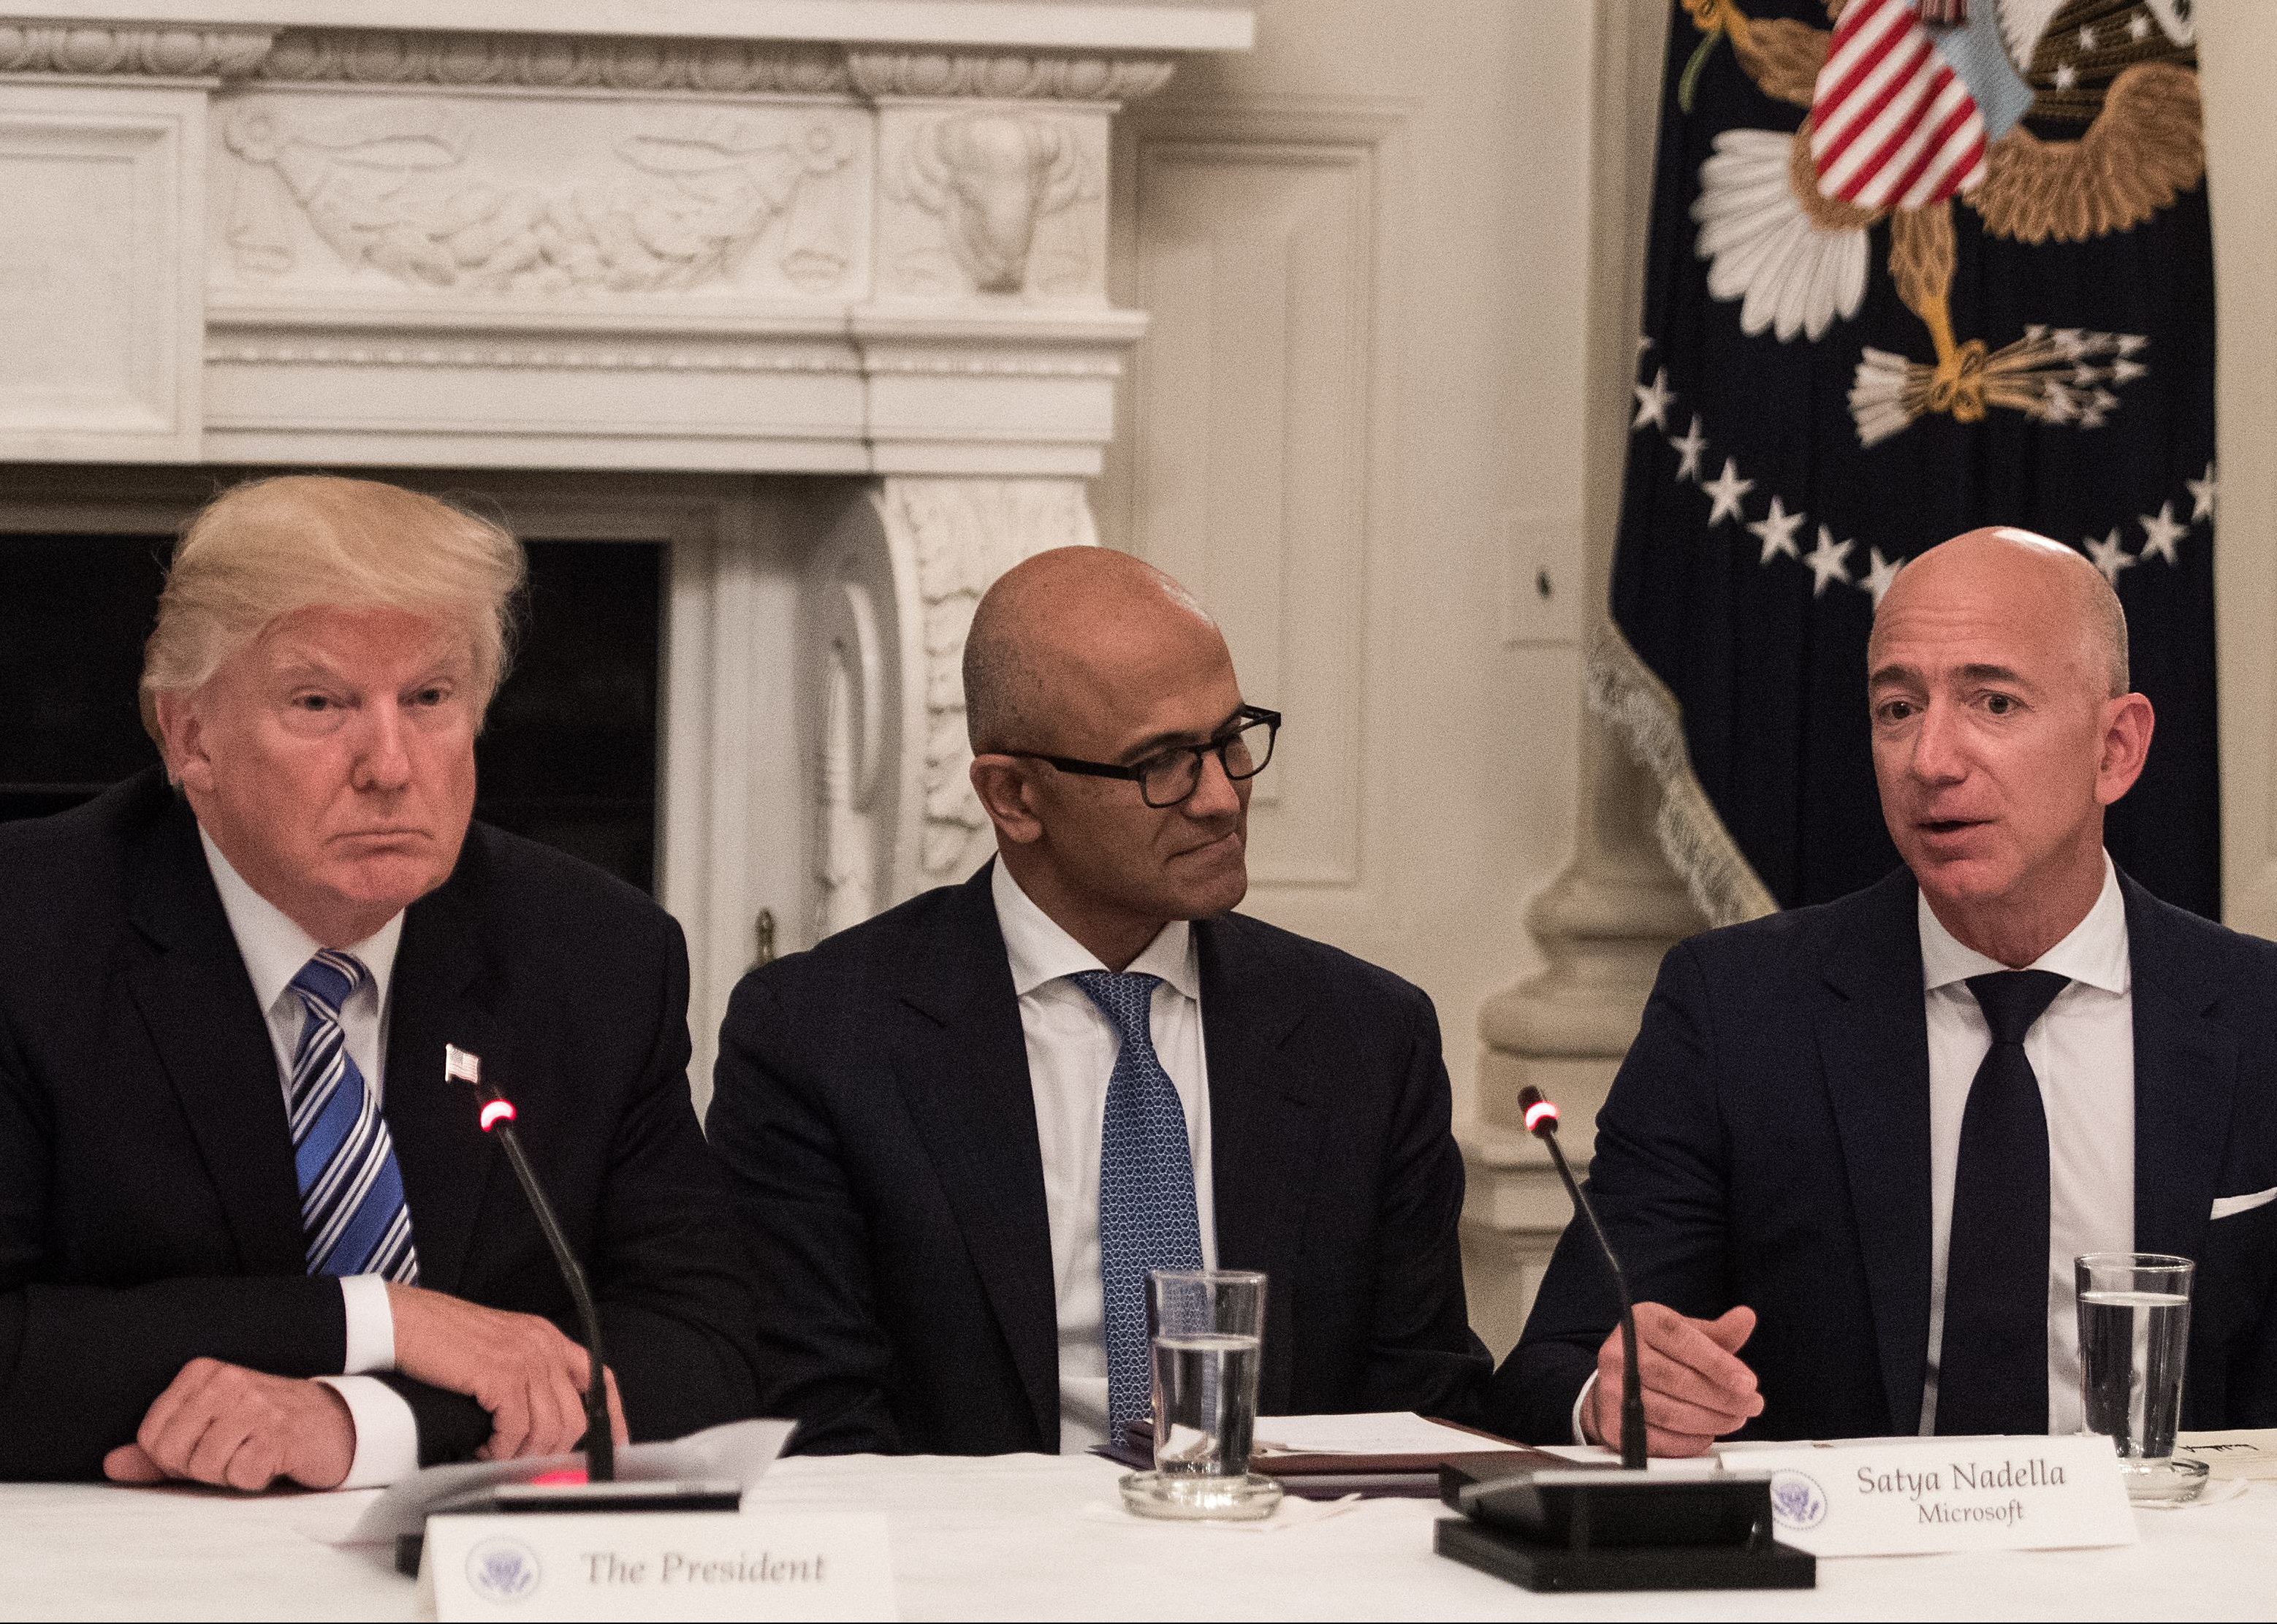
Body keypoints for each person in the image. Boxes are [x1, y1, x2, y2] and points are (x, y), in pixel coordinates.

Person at [0, 476, 758, 1489]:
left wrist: (365, 1421)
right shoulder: (30, 931)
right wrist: (384, 1318)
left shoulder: (595, 953)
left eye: (431, 699)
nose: (391, 764)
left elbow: (704, 1341)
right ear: (189, 737)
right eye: (321, 703)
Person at [1494, 527, 2277, 1452]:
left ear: (2115, 748)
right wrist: (1617, 1394)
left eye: (1992, 702)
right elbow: (1551, 1368)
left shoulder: (2256, 1016)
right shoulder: (1738, 1010)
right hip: (1846, 1575)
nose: (1930, 760)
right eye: (1897, 708)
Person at [708, 546, 1489, 1455]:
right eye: (1161, 763)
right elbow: (816, 1424)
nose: (1220, 799)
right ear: (1013, 796)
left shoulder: (1364, 1036)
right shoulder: (818, 1037)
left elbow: (1420, 1400)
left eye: (1230, 740)